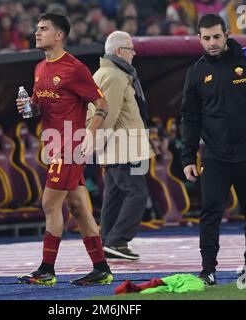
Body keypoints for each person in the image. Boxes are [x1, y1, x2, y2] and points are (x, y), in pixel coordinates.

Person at [180, 13, 246, 285]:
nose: (212, 42)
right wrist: (187, 157)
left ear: (226, 33)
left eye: (217, 36)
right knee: (210, 212)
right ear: (199, 39)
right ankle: (208, 271)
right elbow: (190, 118)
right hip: (215, 156)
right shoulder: (196, 72)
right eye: (206, 38)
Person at [16, 12, 113, 286]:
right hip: (53, 145)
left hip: (69, 146)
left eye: (43, 29)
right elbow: (38, 105)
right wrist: (29, 108)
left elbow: (101, 104)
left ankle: (47, 270)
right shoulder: (39, 69)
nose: (37, 33)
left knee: (49, 204)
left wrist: (88, 136)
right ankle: (101, 268)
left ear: (59, 36)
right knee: (80, 207)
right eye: (37, 28)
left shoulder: (75, 68)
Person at [87, 31, 154, 260]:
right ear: (118, 52)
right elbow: (107, 114)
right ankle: (117, 240)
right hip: (122, 147)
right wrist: (96, 145)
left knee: (114, 197)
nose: (134, 54)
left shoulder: (108, 73)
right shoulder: (114, 76)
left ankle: (107, 241)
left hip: (118, 147)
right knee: (137, 194)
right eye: (130, 49)